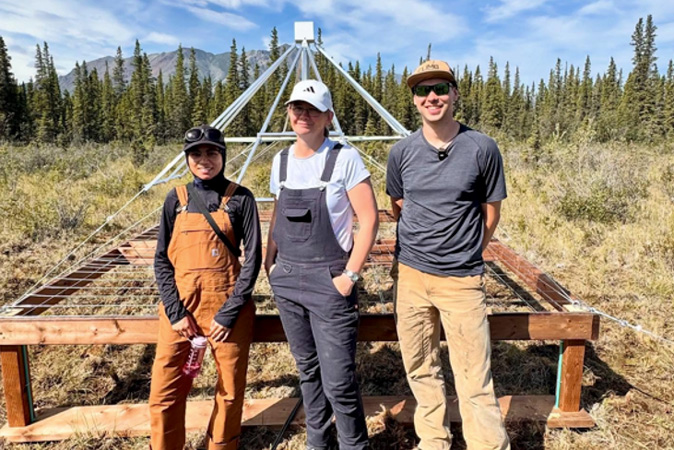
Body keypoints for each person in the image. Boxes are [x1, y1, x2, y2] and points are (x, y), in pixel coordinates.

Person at [386, 60, 510, 450]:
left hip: (462, 279)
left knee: (474, 376)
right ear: (414, 99)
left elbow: (491, 213)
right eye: (422, 90)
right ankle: (434, 440)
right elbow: (398, 206)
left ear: (455, 94)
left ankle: (487, 444)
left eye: (440, 88)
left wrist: (467, 250)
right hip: (411, 277)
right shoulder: (401, 152)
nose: (432, 97)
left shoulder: (482, 148)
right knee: (421, 368)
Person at [264, 79, 378, 450]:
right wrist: (269, 263)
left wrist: (349, 276)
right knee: (308, 371)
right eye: (297, 108)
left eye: (313, 110)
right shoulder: (280, 161)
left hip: (330, 281)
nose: (304, 115)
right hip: (287, 278)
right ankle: (318, 442)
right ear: (288, 112)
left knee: (339, 380)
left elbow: (369, 219)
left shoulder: (344, 158)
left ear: (328, 117)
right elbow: (277, 214)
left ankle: (353, 445)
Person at [151, 124, 262, 450]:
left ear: (223, 155)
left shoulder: (241, 198)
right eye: (196, 153)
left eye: (212, 152)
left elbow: (253, 260)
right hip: (181, 309)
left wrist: (228, 313)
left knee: (229, 392)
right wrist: (175, 312)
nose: (204, 160)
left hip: (228, 309)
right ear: (187, 158)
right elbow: (161, 259)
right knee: (164, 391)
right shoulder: (176, 199)